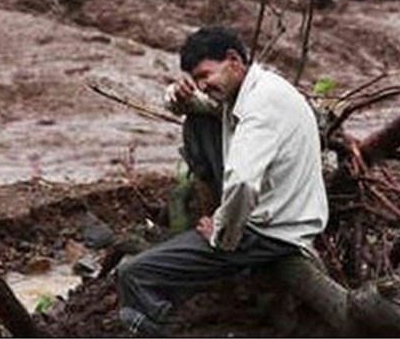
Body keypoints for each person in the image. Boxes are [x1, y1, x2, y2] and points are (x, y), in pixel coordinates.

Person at [116, 25, 329, 336]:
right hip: (279, 217)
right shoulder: (253, 89)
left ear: (233, 60)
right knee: (197, 121)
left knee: (133, 274)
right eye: (197, 80)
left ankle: (160, 327)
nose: (203, 86)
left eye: (205, 75)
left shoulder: (260, 107)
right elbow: (189, 106)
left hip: (268, 231)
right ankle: (171, 311)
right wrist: (177, 96)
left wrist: (222, 233)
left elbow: (242, 182)